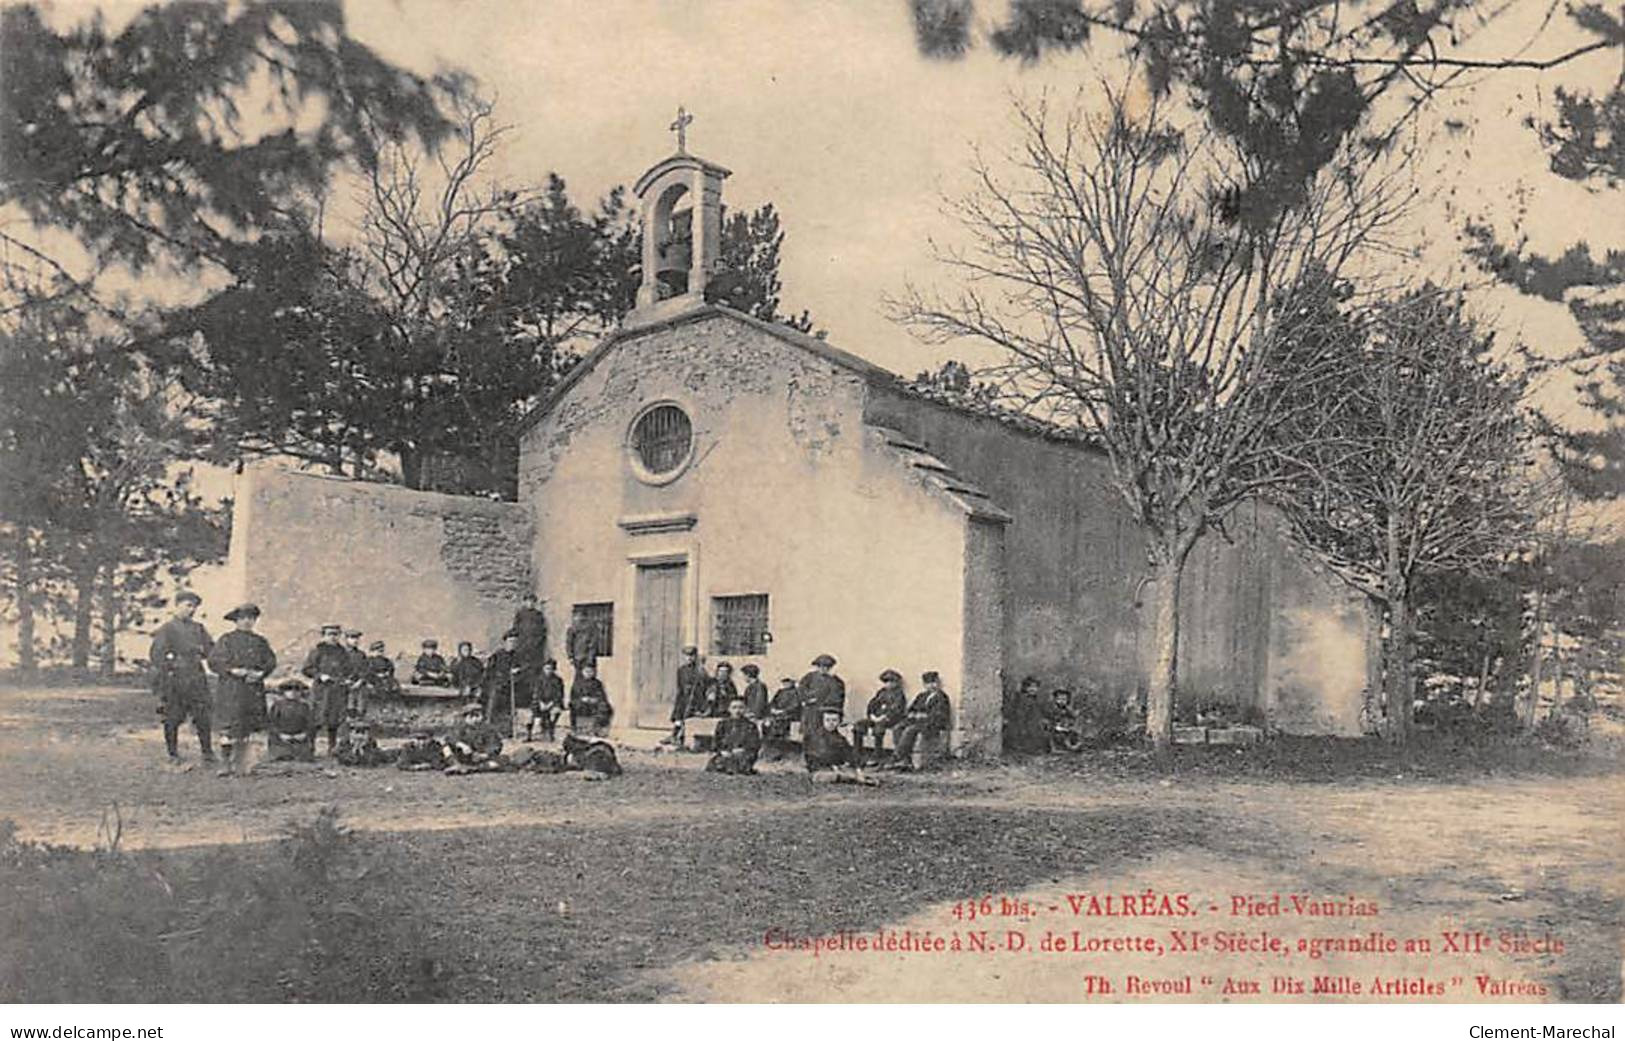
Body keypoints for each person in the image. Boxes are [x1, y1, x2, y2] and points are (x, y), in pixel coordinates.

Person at [207, 603, 277, 777]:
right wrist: (232, 670)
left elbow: (270, 661)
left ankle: (245, 763)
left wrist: (260, 673)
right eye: (243, 618)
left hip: (253, 689)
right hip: (232, 689)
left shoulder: (260, 641)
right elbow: (214, 661)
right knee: (230, 725)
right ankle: (225, 763)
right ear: (236, 620)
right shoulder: (226, 640)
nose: (247, 622)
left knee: (250, 726)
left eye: (251, 618)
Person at [148, 591, 215, 765]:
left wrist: (204, 652)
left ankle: (207, 752)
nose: (191, 610)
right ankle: (173, 753)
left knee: (202, 715)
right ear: (177, 605)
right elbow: (156, 654)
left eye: (194, 606)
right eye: (188, 605)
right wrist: (170, 667)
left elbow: (210, 650)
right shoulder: (168, 628)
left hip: (196, 676)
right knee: (173, 716)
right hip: (175, 678)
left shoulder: (198, 628)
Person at [301, 623, 354, 757]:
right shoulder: (317, 651)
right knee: (316, 719)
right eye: (330, 634)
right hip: (321, 691)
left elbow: (349, 669)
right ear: (324, 636)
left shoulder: (343, 652)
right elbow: (307, 669)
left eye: (336, 634)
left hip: (337, 690)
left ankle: (332, 748)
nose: (333, 637)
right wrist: (320, 676)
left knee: (334, 720)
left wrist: (347, 679)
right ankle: (310, 747)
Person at [891, 671, 952, 771]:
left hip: (933, 724)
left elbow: (939, 715)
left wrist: (923, 716)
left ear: (938, 683)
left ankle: (897, 756)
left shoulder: (942, 697)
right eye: (928, 683)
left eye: (934, 683)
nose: (931, 686)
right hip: (918, 721)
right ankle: (905, 760)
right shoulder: (921, 696)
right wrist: (913, 715)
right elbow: (911, 709)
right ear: (924, 685)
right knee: (898, 727)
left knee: (910, 729)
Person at [804, 707, 876, 785]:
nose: (831, 723)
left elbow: (850, 755)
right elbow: (816, 756)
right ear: (822, 721)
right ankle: (853, 779)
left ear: (839, 722)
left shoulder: (840, 737)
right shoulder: (815, 736)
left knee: (847, 773)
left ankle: (855, 778)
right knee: (830, 776)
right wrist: (833, 766)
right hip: (819, 770)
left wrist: (857, 769)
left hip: (838, 768)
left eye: (834, 720)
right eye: (827, 720)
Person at [852, 669, 908, 764]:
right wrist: (872, 715)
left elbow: (897, 710)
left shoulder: (899, 694)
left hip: (889, 719)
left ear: (896, 683)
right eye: (886, 682)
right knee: (859, 725)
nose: (888, 684)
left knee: (879, 728)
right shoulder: (881, 692)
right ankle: (857, 754)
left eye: (891, 682)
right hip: (876, 718)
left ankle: (877, 756)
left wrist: (884, 717)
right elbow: (872, 704)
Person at [483, 631, 528, 737]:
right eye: (510, 641)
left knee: (508, 710)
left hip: (511, 687)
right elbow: (489, 672)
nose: (512, 644)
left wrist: (518, 671)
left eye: (515, 642)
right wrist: (502, 675)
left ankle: (507, 731)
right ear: (505, 642)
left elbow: (524, 669)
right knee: (493, 709)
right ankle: (489, 731)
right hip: (497, 686)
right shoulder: (497, 655)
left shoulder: (517, 656)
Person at [706, 695, 762, 775]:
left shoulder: (751, 726)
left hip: (743, 754)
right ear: (729, 709)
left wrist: (743, 749)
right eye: (734, 707)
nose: (737, 711)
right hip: (725, 754)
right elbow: (715, 742)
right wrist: (722, 751)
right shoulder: (722, 724)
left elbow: (754, 744)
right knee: (717, 762)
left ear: (745, 709)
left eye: (740, 707)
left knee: (741, 762)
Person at [442, 703, 504, 773]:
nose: (476, 719)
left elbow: (495, 745)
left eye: (478, 716)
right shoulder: (460, 727)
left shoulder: (487, 729)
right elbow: (450, 738)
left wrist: (484, 755)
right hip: (462, 757)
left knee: (497, 763)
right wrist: (461, 745)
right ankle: (456, 765)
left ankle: (472, 768)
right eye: (471, 716)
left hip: (480, 757)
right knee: (446, 747)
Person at [265, 679, 316, 762]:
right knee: (282, 756)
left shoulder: (305, 707)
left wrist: (303, 734)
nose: (293, 692)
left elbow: (311, 724)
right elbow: (271, 724)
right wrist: (280, 734)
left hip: (300, 739)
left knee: (304, 756)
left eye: (297, 689)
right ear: (283, 692)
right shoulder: (277, 706)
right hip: (282, 739)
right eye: (289, 689)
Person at [667, 645, 710, 744]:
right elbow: (680, 686)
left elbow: (705, 685)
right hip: (684, 696)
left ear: (695, 657)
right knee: (679, 711)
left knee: (689, 713)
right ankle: (675, 734)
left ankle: (680, 736)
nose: (689, 658)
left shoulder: (699, 670)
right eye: (687, 656)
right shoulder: (681, 670)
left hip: (697, 698)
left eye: (692, 656)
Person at [797, 654, 847, 736]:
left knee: (824, 734)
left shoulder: (836, 682)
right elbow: (801, 690)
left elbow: (837, 698)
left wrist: (825, 704)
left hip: (826, 711)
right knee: (809, 732)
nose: (823, 669)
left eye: (827, 667)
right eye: (820, 666)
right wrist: (808, 698)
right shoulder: (809, 677)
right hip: (810, 709)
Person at [569, 661, 613, 736]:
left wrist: (594, 700)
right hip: (580, 703)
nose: (589, 673)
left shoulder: (597, 683)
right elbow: (573, 696)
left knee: (606, 707)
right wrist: (582, 699)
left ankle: (599, 728)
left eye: (591, 671)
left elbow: (602, 696)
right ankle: (575, 729)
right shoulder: (577, 684)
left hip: (594, 703)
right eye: (586, 671)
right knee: (573, 706)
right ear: (582, 672)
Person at [533, 658, 566, 742]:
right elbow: (537, 692)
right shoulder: (539, 680)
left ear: (554, 669)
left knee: (555, 713)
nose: (548, 671)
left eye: (550, 669)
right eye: (546, 668)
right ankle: (539, 730)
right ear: (543, 669)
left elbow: (559, 694)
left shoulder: (558, 680)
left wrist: (551, 703)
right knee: (536, 710)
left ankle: (551, 730)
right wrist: (541, 702)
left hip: (554, 702)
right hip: (541, 702)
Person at [362, 640, 398, 710]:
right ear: (372, 651)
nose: (379, 653)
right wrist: (377, 675)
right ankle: (382, 706)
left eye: (381, 651)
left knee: (394, 686)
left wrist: (387, 673)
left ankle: (392, 705)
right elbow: (368, 671)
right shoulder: (369, 660)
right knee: (380, 687)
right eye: (377, 651)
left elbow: (391, 668)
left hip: (386, 678)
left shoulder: (386, 660)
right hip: (374, 679)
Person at [764, 676, 802, 744]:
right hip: (777, 715)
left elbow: (795, 706)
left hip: (788, 716)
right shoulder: (780, 692)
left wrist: (783, 711)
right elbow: (773, 702)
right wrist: (773, 709)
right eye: (784, 682)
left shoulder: (796, 692)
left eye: (788, 682)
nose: (786, 683)